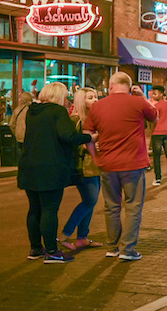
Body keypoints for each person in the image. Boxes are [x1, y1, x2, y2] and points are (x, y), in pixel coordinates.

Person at [83, 72, 157, 262]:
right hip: (133, 163)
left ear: (111, 85)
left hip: (107, 164)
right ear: (129, 85)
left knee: (112, 206)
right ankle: (128, 249)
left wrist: (96, 157)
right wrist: (141, 96)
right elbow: (154, 117)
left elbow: (87, 135)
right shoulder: (138, 103)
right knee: (133, 206)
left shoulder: (98, 106)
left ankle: (112, 246)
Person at [18, 82, 94, 264]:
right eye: (65, 96)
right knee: (49, 210)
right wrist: (90, 137)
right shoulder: (57, 112)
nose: (67, 99)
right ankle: (52, 251)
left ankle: (36, 248)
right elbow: (69, 137)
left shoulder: (32, 112)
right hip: (50, 168)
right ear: (59, 96)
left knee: (34, 209)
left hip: (29, 166)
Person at [59, 87, 104, 251]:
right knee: (90, 200)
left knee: (91, 202)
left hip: (94, 165)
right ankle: (65, 234)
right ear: (81, 101)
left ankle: (82, 237)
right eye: (90, 98)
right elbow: (71, 143)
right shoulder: (76, 120)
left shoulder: (93, 118)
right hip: (83, 166)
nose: (95, 100)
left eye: (96, 97)